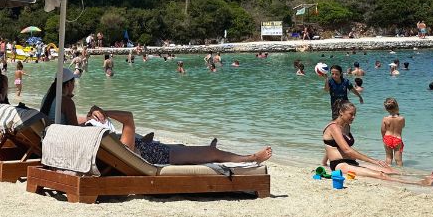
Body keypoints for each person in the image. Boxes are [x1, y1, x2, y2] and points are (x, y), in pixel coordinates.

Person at [40, 69, 272, 166]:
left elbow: (69, 126)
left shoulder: (50, 100)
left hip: (123, 150)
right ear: (68, 84)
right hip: (140, 156)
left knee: (178, 146)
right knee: (204, 153)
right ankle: (249, 158)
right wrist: (104, 112)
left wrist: (91, 118)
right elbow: (129, 118)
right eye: (73, 84)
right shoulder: (66, 100)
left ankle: (147, 140)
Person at [322, 101, 433, 185]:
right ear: (341, 112)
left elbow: (331, 145)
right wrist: (373, 161)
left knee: (389, 170)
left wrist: (323, 162)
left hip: (351, 162)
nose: (354, 117)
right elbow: (347, 150)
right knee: (380, 175)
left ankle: (423, 175)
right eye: (351, 114)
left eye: (355, 114)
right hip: (340, 165)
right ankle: (420, 183)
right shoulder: (333, 127)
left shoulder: (346, 126)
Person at [380, 97, 405, 167]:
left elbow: (382, 130)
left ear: (386, 108)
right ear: (397, 106)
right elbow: (402, 126)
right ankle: (400, 173)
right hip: (397, 138)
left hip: (387, 138)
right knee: (398, 159)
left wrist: (383, 138)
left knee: (389, 157)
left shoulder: (385, 119)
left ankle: (388, 171)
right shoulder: (401, 118)